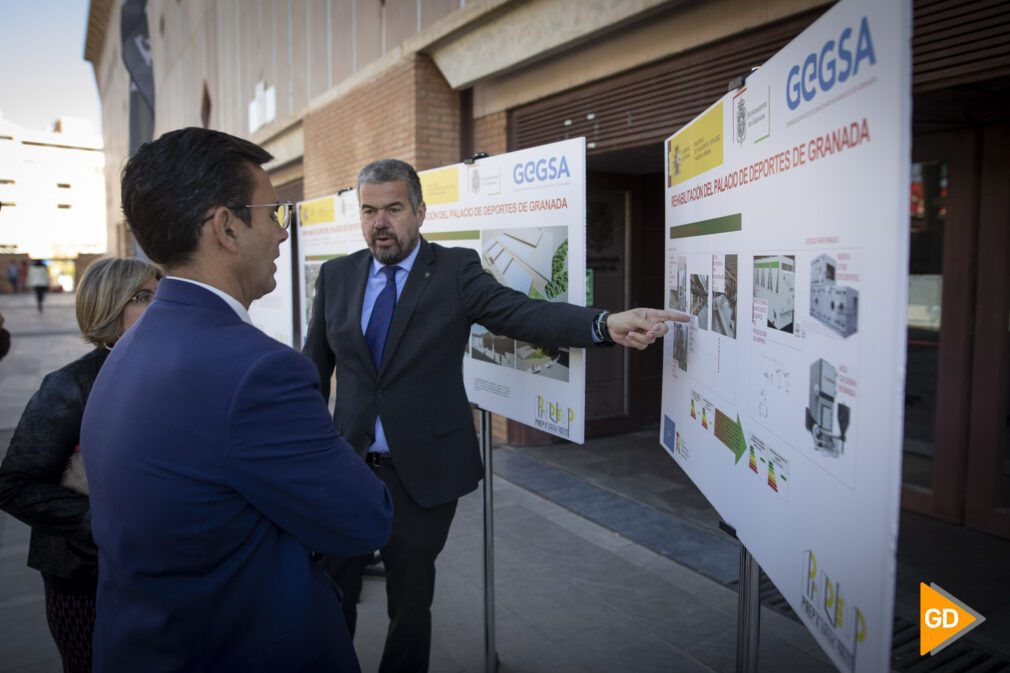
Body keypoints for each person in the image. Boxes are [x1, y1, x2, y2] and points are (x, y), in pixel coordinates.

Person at [303, 158, 685, 673]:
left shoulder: (455, 271)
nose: (380, 222)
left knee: (410, 605)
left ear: (419, 211)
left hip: (421, 477)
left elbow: (521, 312)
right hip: (347, 471)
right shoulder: (337, 275)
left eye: (393, 208)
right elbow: (312, 370)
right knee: (330, 595)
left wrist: (604, 323)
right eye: (369, 210)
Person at [79, 128, 393, 673]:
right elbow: (365, 521)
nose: (280, 235)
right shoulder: (259, 373)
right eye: (273, 214)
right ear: (226, 227)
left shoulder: (129, 345)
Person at [0, 257, 161, 673]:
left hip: (158, 573)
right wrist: (102, 523)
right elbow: (14, 484)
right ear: (107, 308)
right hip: (84, 578)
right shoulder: (68, 386)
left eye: (163, 296)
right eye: (143, 297)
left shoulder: (170, 374)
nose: (159, 307)